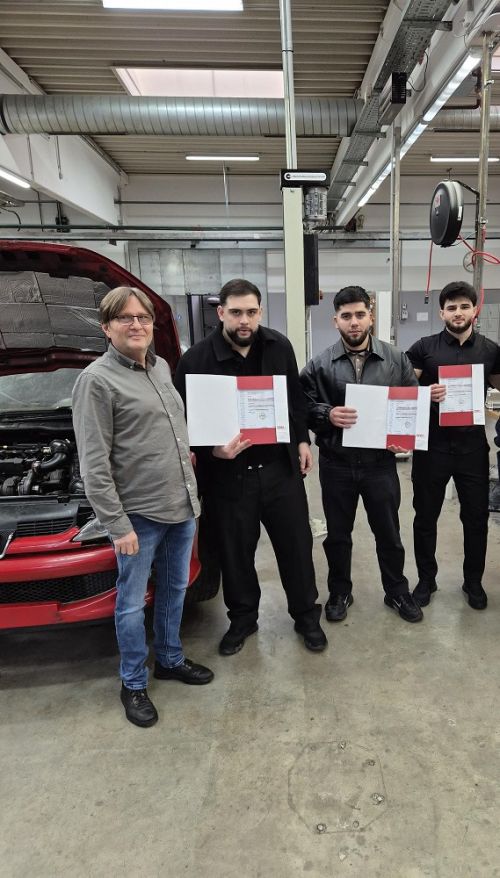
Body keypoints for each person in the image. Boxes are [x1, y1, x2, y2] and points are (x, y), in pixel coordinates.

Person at [72, 286, 213, 729]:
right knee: (131, 605)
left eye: (143, 318)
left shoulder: (162, 367)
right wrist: (117, 525)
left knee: (174, 591)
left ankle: (169, 660)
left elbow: (172, 432)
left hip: (181, 506)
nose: (136, 325)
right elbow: (94, 464)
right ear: (106, 327)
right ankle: (133, 682)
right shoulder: (96, 380)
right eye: (125, 318)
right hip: (138, 517)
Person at [174, 278, 326, 655]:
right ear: (221, 312)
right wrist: (212, 453)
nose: (245, 320)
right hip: (227, 477)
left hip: (279, 471)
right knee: (234, 554)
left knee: (296, 547)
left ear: (260, 312)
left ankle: (306, 615)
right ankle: (243, 619)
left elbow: (294, 401)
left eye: (252, 312)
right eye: (237, 312)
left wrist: (302, 439)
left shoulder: (279, 347)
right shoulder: (195, 360)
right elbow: (182, 424)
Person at [300, 285, 423, 623]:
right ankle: (340, 590)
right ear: (335, 320)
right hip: (336, 464)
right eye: (346, 316)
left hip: (379, 464)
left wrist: (403, 439)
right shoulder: (319, 364)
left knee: (389, 532)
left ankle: (397, 591)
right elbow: (302, 406)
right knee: (338, 535)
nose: (353, 322)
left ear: (370, 316)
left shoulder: (396, 359)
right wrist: (328, 415)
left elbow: (409, 403)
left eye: (359, 315)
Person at [406, 280, 500, 610]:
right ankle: (426, 579)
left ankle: (472, 581)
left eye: (464, 306)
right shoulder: (423, 348)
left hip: (473, 449)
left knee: (475, 518)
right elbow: (401, 392)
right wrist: (423, 393)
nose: (457, 312)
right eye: (451, 307)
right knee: (425, 517)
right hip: (431, 447)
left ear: (474, 310)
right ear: (441, 312)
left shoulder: (490, 350)